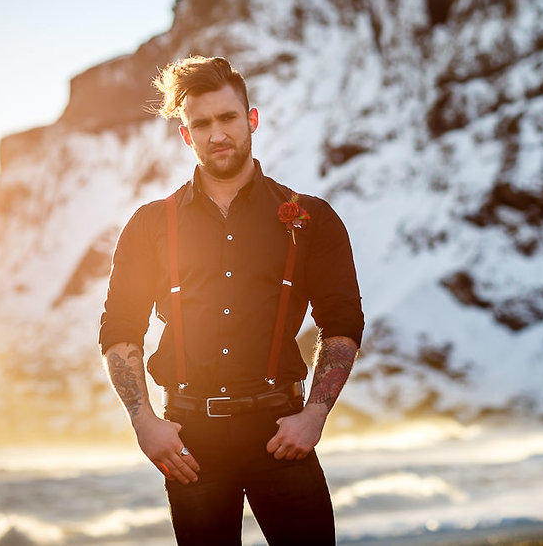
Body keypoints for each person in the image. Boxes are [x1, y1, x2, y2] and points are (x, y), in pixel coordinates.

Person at [98, 55, 364, 545]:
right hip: (191, 443)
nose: (217, 134)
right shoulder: (150, 226)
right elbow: (120, 329)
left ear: (251, 119)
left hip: (282, 434)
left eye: (228, 118)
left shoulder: (312, 219)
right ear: (186, 136)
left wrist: (315, 415)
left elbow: (342, 323)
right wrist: (144, 422)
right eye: (201, 124)